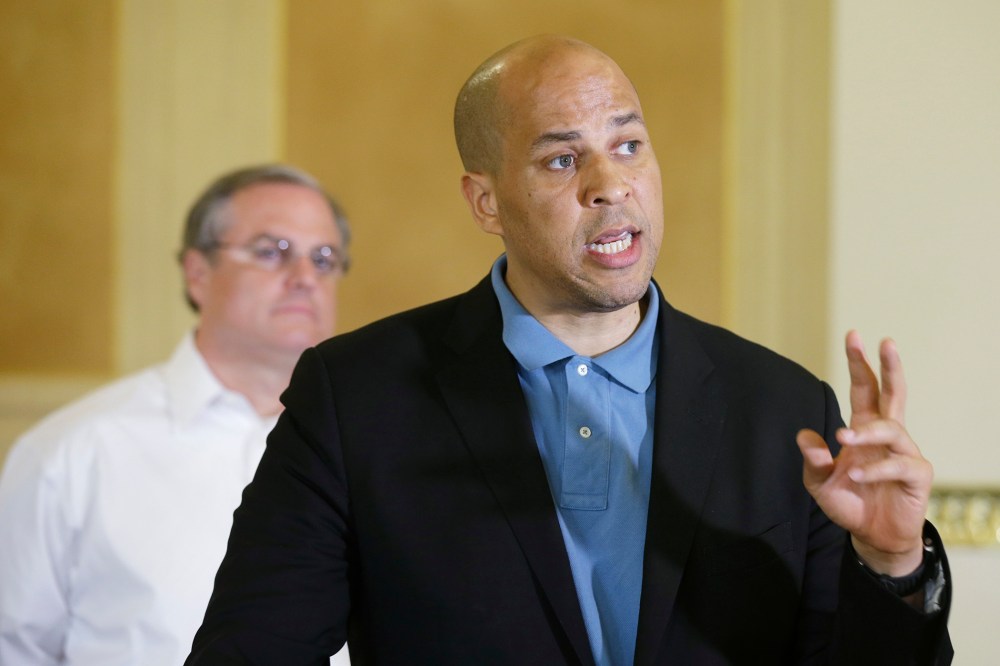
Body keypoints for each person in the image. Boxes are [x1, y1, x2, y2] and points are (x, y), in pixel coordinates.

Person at [186, 37, 952, 665]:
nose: (610, 184)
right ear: (486, 201)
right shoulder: (354, 396)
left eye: (628, 145)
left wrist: (892, 566)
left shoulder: (786, 409)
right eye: (562, 159)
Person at [0, 165, 354, 665]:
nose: (304, 279)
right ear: (197, 273)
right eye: (271, 251)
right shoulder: (71, 452)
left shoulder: (377, 447)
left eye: (324, 258)